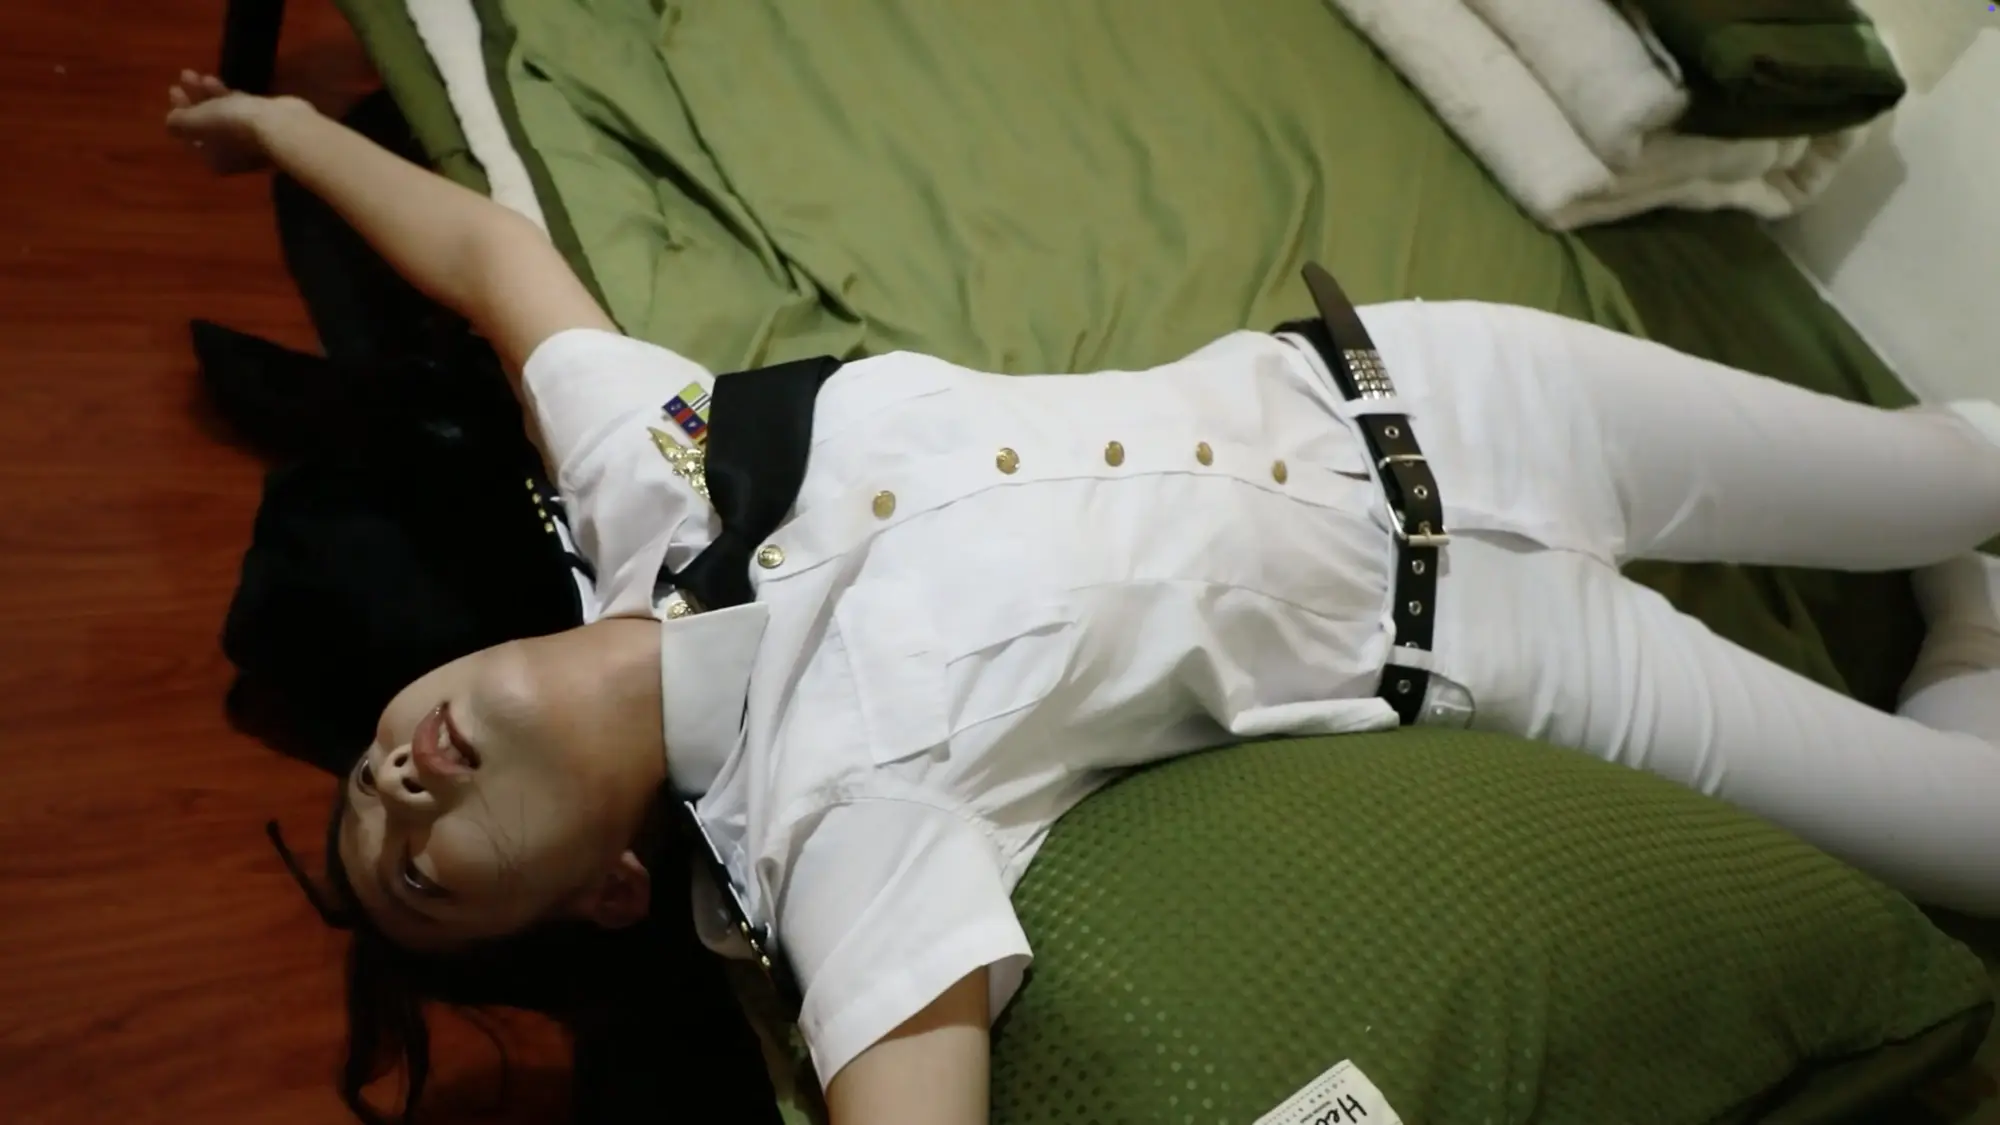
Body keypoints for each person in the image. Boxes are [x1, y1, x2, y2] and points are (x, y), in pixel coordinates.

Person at [167, 69, 2000, 1125]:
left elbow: (490, 255)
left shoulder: (644, 463)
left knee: (1957, 469)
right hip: (1496, 646)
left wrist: (278, 124)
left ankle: (1944, 544)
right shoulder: (829, 843)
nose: (396, 791)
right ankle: (1970, 625)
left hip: (1441, 393)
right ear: (607, 892)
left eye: (366, 776)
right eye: (422, 873)